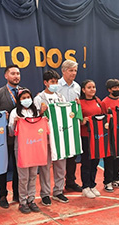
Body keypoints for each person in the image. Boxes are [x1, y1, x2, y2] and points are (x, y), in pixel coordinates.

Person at [33, 70, 69, 206]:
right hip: (46, 137)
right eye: (52, 82)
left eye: (56, 82)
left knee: (61, 165)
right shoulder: (39, 98)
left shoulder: (61, 97)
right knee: (45, 167)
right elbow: (35, 117)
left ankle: (59, 191)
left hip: (59, 136)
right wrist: (41, 112)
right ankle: (45, 193)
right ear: (45, 83)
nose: (54, 84)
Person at [0, 64, 21, 208]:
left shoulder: (24, 92)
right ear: (6, 76)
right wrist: (2, 118)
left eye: (18, 73)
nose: (16, 76)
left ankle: (17, 193)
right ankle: (2, 195)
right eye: (13, 73)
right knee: (2, 168)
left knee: (18, 167)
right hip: (4, 139)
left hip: (21, 138)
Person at [8, 89, 40, 214]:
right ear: (19, 100)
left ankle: (31, 199)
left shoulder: (34, 111)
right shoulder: (14, 112)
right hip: (21, 147)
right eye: (23, 97)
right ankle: (22, 201)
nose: (26, 99)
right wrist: (14, 124)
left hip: (34, 146)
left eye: (28, 96)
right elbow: (11, 133)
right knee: (23, 177)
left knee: (33, 175)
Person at [57, 59, 83, 193]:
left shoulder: (77, 87)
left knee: (72, 155)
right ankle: (58, 186)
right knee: (61, 155)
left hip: (72, 124)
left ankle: (71, 182)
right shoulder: (56, 86)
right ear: (63, 71)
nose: (73, 73)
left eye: (75, 71)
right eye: (71, 70)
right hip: (59, 124)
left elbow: (78, 106)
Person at [100, 79, 119, 192]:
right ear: (109, 90)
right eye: (114, 88)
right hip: (109, 136)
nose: (117, 89)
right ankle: (107, 181)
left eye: (118, 87)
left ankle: (116, 179)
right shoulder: (104, 102)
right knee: (109, 159)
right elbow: (102, 119)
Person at [79, 80, 103, 199]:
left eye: (93, 87)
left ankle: (92, 185)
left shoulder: (98, 101)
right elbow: (77, 120)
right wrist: (83, 121)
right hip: (86, 137)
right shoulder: (79, 103)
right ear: (83, 90)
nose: (92, 89)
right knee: (87, 162)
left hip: (98, 136)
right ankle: (85, 187)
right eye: (89, 87)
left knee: (95, 162)